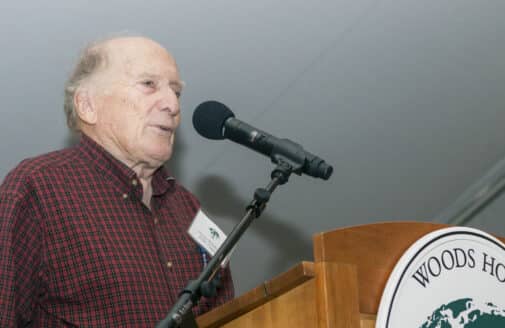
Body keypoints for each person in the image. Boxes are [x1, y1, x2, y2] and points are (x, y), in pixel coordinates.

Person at [0, 36, 234, 327]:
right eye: (149, 84)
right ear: (87, 105)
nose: (172, 105)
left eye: (176, 92)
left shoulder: (189, 209)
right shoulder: (38, 188)